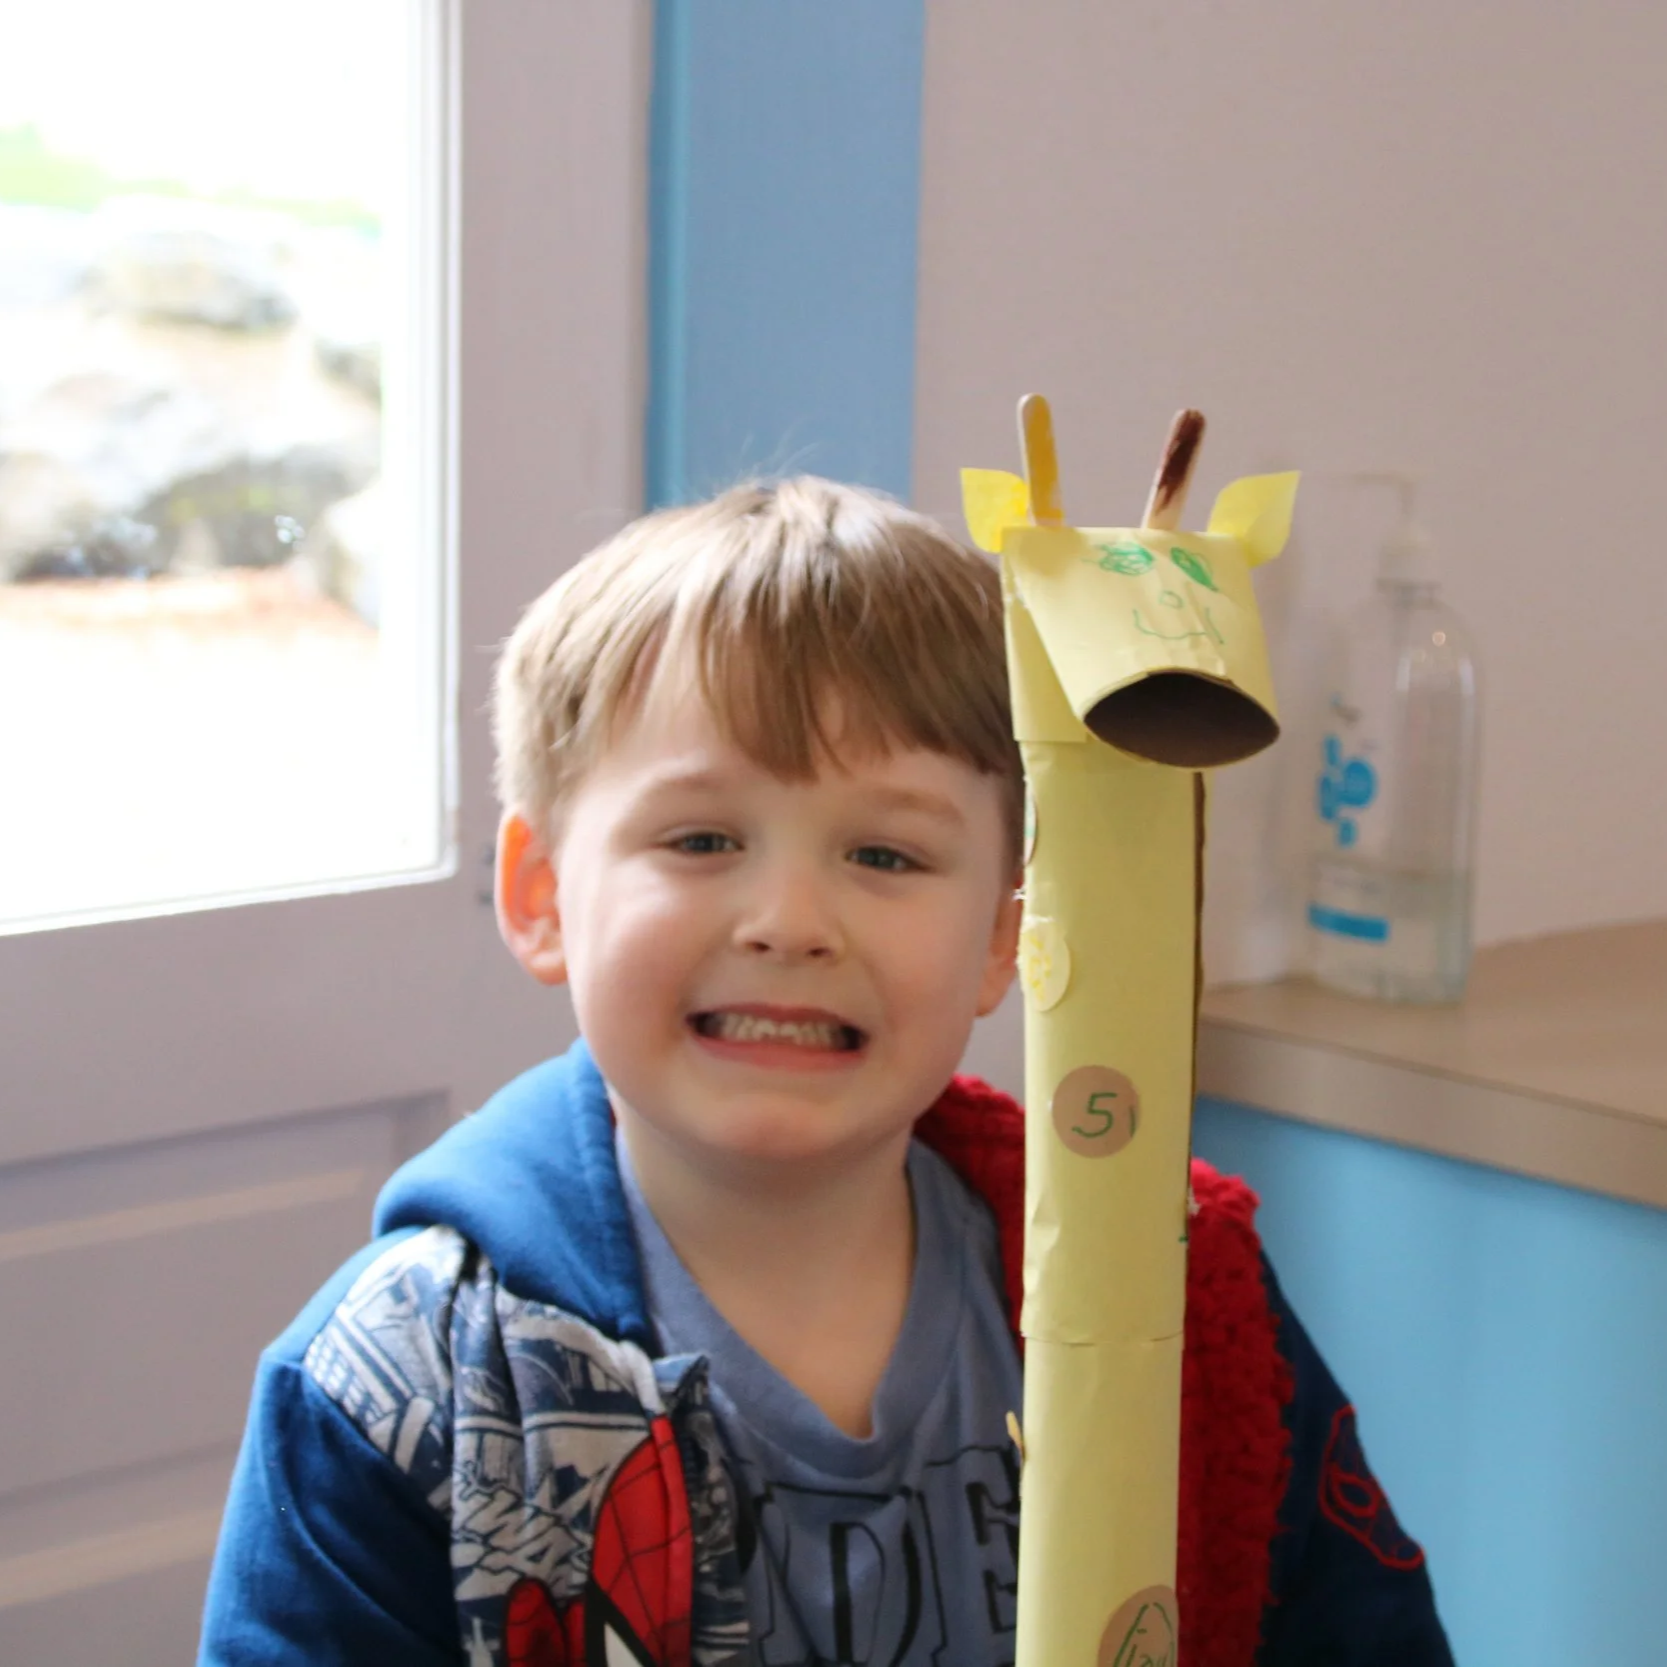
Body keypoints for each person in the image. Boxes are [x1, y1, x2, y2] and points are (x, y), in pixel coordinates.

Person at [199, 477, 1453, 1667]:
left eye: (885, 854)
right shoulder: (388, 1385)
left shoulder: (1171, 1295)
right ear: (540, 896)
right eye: (699, 838)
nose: (789, 919)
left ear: (1011, 932)